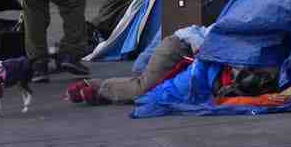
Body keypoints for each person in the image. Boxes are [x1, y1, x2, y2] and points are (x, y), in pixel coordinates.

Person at [66, 26, 208, 105]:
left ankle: (102, 91)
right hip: (178, 48)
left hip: (180, 50)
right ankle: (99, 87)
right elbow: (194, 34)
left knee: (147, 82)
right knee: (144, 89)